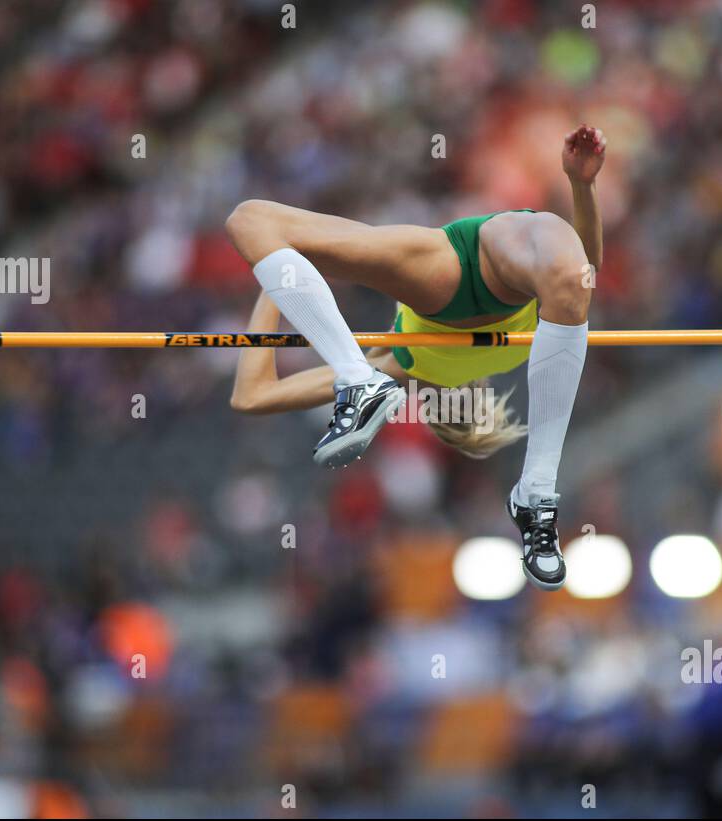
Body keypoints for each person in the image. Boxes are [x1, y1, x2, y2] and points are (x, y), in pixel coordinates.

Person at [225, 125, 606, 590]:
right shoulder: (402, 365)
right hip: (471, 273)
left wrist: (285, 274)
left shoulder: (407, 364)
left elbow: (586, 269)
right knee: (563, 261)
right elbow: (251, 396)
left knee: (252, 221)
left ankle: (356, 383)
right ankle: (535, 490)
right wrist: (282, 274)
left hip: (453, 273)